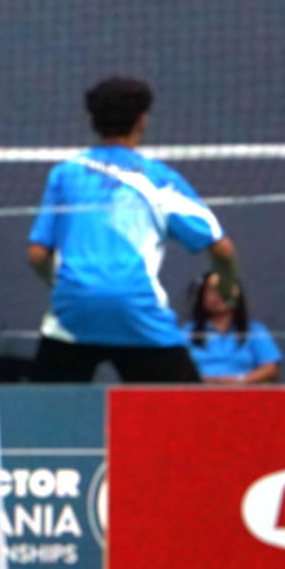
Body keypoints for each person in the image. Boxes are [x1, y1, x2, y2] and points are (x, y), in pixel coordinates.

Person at [28, 77, 239, 382]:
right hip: (136, 313)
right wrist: (226, 287)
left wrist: (67, 287)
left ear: (92, 120)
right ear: (142, 121)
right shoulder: (159, 178)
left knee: (42, 419)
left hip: (74, 311)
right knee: (187, 418)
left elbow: (37, 254)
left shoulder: (65, 173)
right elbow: (222, 249)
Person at [184, 272, 281, 383]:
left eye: (225, 289)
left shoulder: (254, 330)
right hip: (198, 394)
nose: (219, 294)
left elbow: (271, 369)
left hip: (244, 394)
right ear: (202, 296)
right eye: (212, 290)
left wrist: (239, 381)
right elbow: (177, 369)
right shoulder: (187, 332)